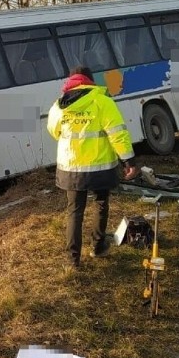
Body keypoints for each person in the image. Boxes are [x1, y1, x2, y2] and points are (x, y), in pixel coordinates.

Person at [47, 66, 139, 268]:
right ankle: (97, 247)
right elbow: (118, 134)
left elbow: (53, 131)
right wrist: (128, 161)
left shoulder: (59, 105)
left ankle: (72, 261)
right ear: (90, 81)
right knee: (100, 204)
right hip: (100, 167)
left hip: (71, 168)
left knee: (74, 211)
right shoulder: (102, 102)